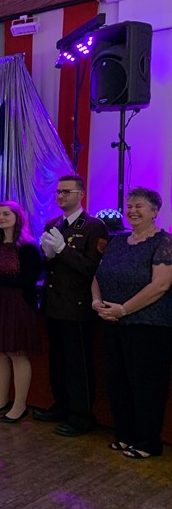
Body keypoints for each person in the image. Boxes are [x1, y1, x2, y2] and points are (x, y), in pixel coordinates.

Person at [91, 187, 172, 459]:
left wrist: (124, 309)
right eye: (129, 206)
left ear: (155, 211)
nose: (132, 210)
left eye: (139, 206)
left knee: (147, 385)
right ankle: (124, 435)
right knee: (117, 382)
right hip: (113, 322)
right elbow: (98, 275)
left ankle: (148, 442)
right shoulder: (117, 241)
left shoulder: (164, 242)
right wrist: (96, 302)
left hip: (148, 325)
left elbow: (160, 285)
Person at [34, 174, 109, 437]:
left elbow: (91, 268)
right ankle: (61, 406)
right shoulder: (53, 224)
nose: (61, 196)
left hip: (77, 305)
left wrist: (63, 250)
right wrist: (48, 256)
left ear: (81, 194)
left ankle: (81, 416)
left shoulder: (94, 226)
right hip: (54, 303)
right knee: (57, 362)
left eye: (67, 192)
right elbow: (49, 267)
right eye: (58, 192)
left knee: (78, 364)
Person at [0, 201, 44, 423]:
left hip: (18, 303)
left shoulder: (28, 246)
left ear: (18, 217)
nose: (1, 218)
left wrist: (0, 279)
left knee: (17, 353)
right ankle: (1, 400)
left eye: (6, 214)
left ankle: (19, 405)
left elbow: (31, 279)